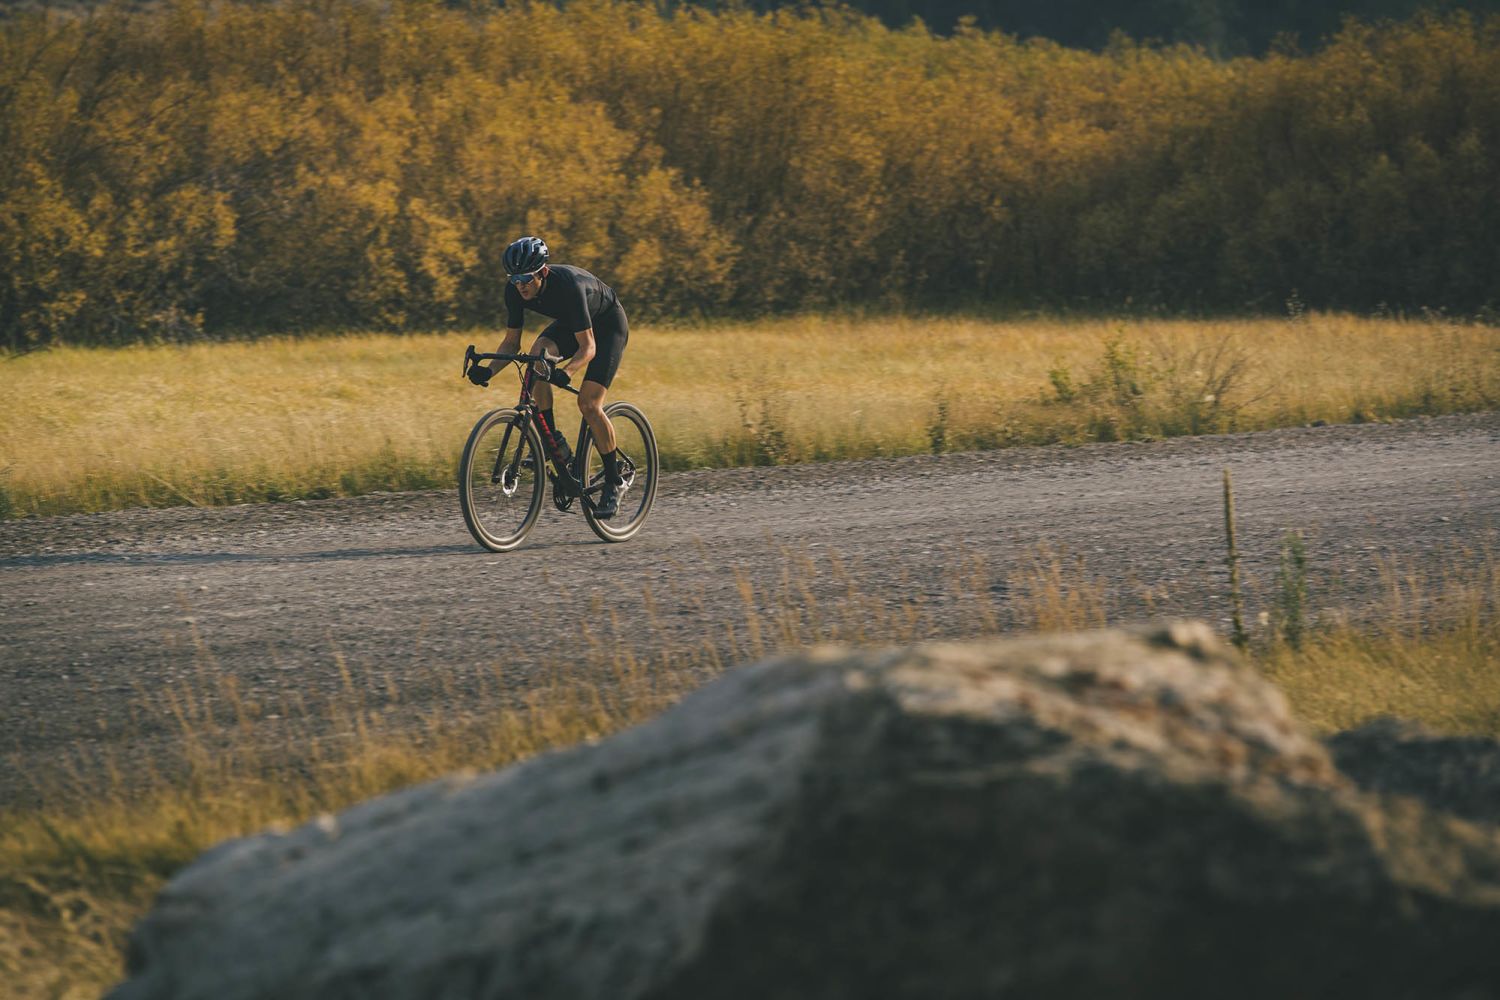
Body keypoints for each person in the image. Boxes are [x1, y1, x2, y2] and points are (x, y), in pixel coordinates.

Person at [468, 236, 630, 519]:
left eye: (526, 278)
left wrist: (566, 372)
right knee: (537, 360)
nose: (520, 285)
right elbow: (511, 344)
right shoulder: (514, 291)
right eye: (514, 278)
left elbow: (588, 347)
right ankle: (554, 443)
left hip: (607, 326)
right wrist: (488, 371)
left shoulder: (569, 286)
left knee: (588, 403)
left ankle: (614, 482)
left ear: (542, 272)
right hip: (573, 324)